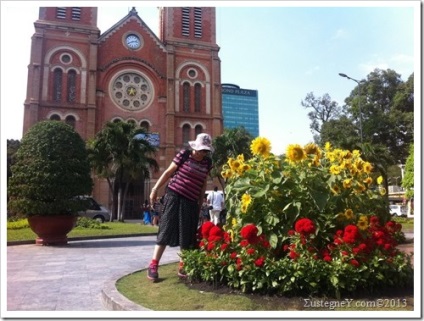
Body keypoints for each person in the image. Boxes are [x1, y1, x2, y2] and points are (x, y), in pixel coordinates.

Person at [147, 133, 214, 281]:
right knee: (165, 229)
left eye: (205, 151)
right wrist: (154, 189)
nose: (202, 153)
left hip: (191, 200)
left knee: (187, 234)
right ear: (195, 147)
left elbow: (202, 184)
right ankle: (153, 265)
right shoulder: (184, 155)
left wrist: (200, 202)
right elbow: (168, 172)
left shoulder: (207, 163)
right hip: (174, 196)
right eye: (200, 150)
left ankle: (183, 265)